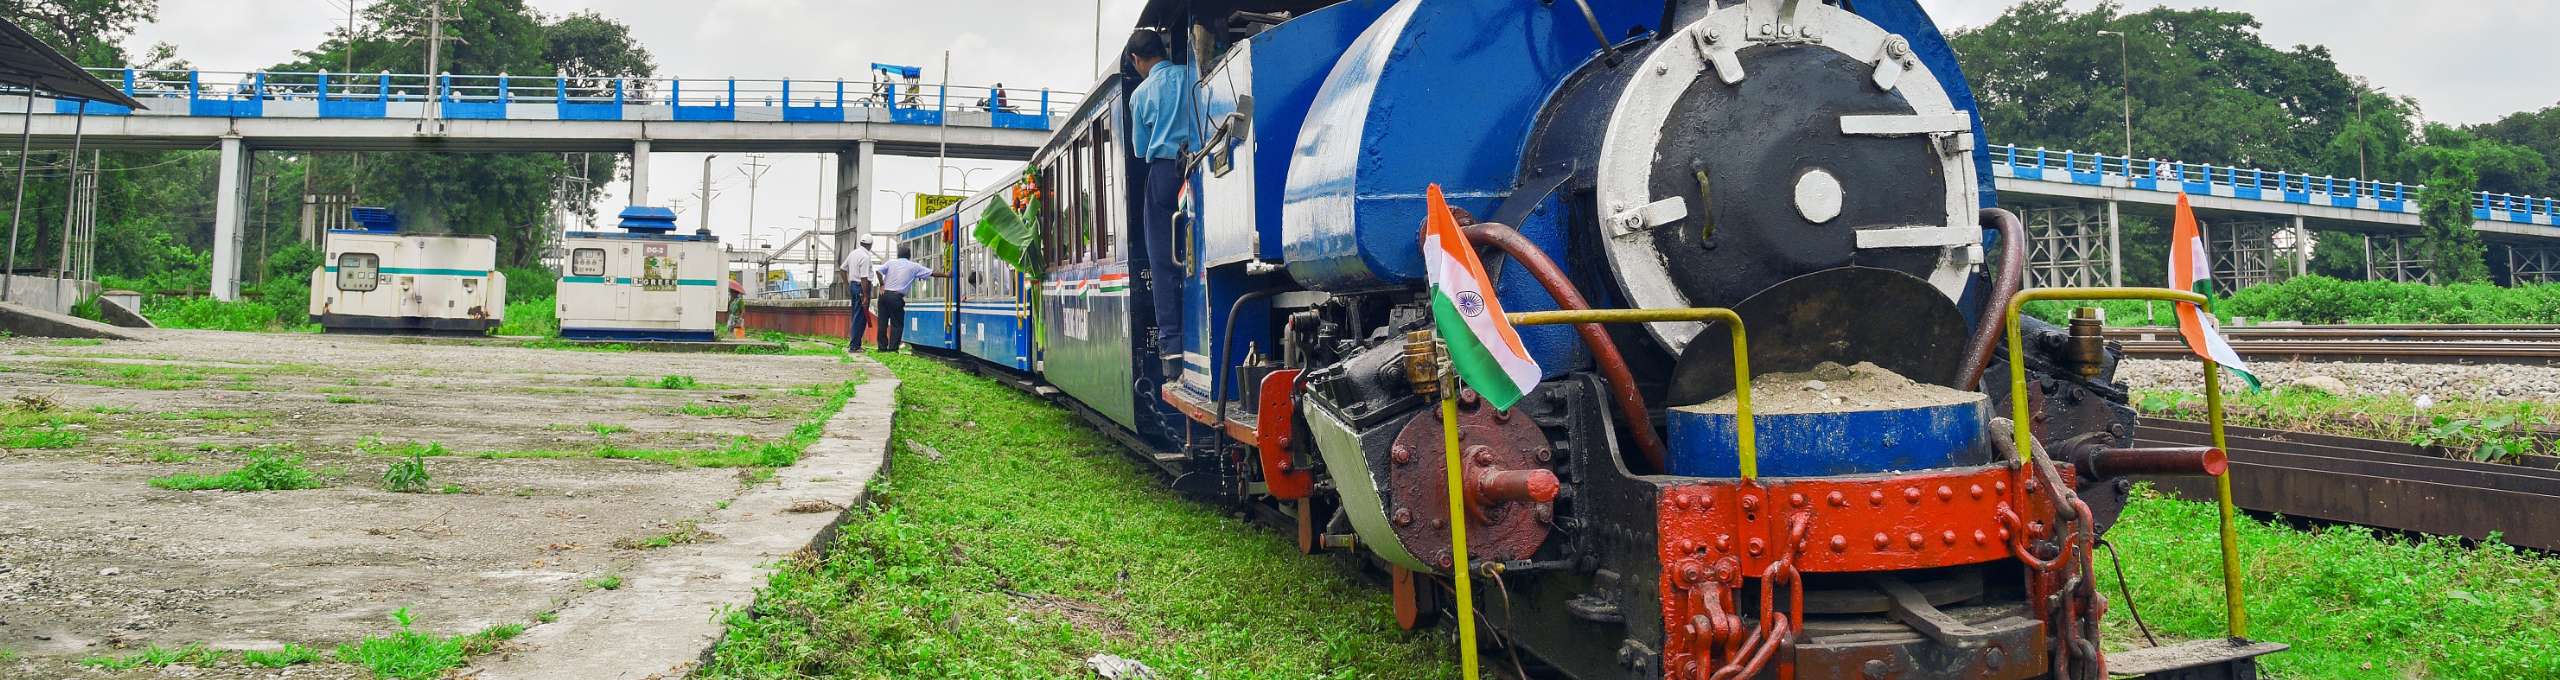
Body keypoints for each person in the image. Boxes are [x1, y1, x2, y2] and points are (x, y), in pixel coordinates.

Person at [1124, 30, 1200, 370]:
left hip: (1163, 173)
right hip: (1198, 167)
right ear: (1163, 50)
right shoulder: (1192, 75)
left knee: (1163, 259)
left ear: (1137, 60)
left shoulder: (1140, 95)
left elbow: (1141, 150)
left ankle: (1172, 346)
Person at [874, 254, 945, 352]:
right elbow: (931, 273)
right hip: (896, 296)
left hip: (883, 295)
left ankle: (881, 348)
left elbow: (878, 271)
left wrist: (882, 284)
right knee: (897, 324)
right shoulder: (913, 266)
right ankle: (893, 349)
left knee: (882, 322)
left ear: (898, 255)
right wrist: (946, 275)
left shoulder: (891, 262)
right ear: (910, 255)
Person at [839, 238, 879, 352]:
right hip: (861, 287)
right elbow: (864, 278)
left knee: (857, 315)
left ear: (861, 243)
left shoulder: (853, 253)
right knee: (860, 317)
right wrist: (866, 296)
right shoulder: (865, 257)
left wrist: (847, 284)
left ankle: (855, 344)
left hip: (854, 286)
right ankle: (854, 346)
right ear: (870, 245)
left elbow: (842, 269)